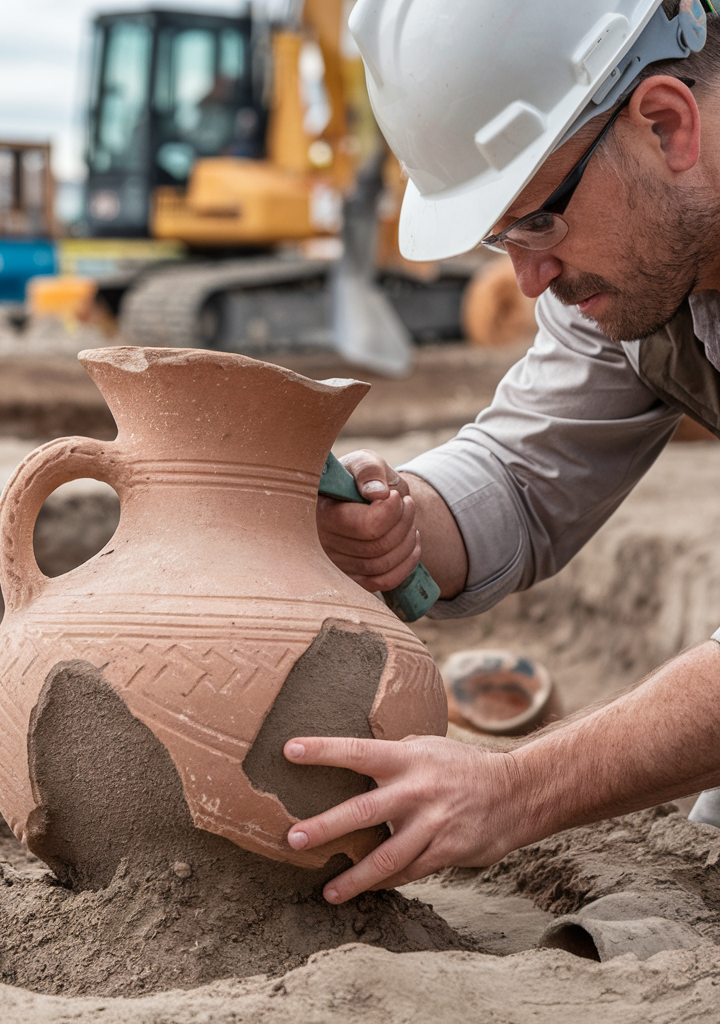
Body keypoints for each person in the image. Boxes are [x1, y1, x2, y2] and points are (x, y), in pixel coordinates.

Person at [289, 0, 720, 905]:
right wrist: (403, 517)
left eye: (539, 225)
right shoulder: (639, 272)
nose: (527, 279)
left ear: (666, 123)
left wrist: (517, 788)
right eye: (503, 239)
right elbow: (524, 477)